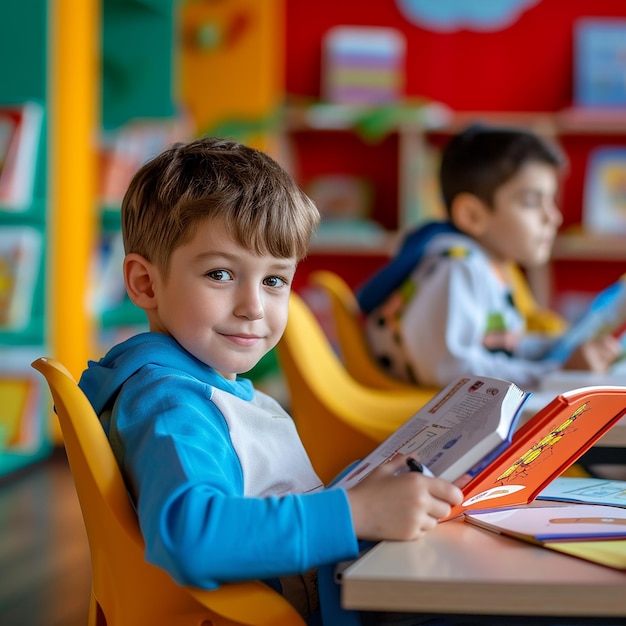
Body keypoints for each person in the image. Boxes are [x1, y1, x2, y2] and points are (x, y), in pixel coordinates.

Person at [77, 137, 463, 626]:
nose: (253, 306)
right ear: (146, 284)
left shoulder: (205, 384)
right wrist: (354, 514)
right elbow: (192, 535)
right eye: (220, 273)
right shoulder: (173, 405)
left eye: (274, 280)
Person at [356, 123, 621, 391]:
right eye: (531, 201)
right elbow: (454, 368)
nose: (553, 217)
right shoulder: (458, 268)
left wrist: (558, 347)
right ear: (472, 215)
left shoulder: (493, 265)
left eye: (551, 200)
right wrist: (554, 374)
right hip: (424, 411)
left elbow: (499, 346)